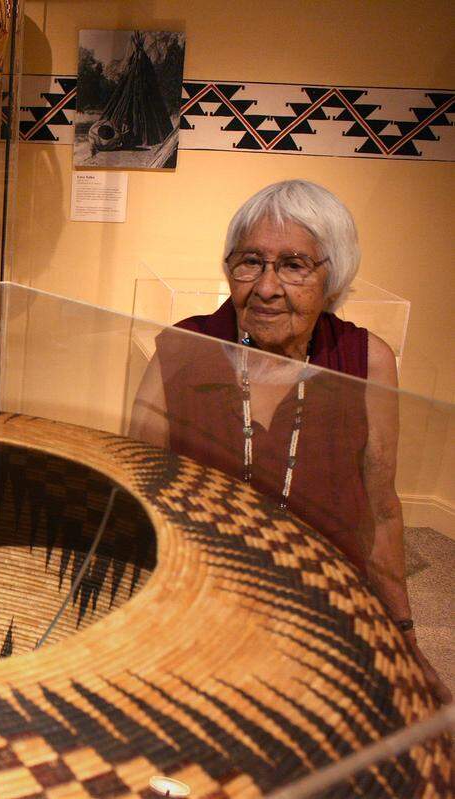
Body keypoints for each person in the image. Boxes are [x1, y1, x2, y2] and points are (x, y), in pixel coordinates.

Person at [130, 179, 450, 703]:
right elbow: (139, 499)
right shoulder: (181, 351)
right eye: (250, 261)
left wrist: (405, 638)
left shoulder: (366, 361)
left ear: (333, 276)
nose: (266, 287)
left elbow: (381, 510)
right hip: (202, 603)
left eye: (294, 265)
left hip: (325, 605)